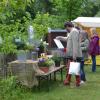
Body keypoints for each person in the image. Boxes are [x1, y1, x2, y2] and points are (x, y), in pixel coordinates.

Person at [56, 22, 82, 87]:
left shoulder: (74, 32)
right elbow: (67, 39)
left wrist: (74, 56)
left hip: (74, 55)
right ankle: (71, 81)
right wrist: (60, 37)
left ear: (68, 26)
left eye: (65, 28)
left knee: (73, 68)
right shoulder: (72, 32)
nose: (65, 29)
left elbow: (75, 44)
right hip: (72, 54)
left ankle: (74, 81)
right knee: (72, 68)